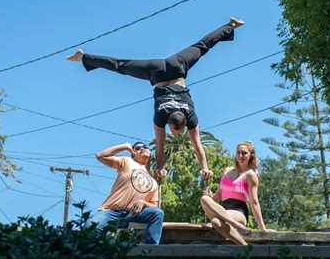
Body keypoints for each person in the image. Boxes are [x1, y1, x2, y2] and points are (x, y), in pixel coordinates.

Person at [66, 17, 245, 180]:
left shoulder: (186, 114)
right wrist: (199, 167)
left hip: (174, 65)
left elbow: (165, 144)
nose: (177, 134)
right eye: (177, 132)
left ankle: (84, 57)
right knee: (123, 65)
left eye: (176, 132)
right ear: (179, 123)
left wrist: (161, 167)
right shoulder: (165, 116)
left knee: (201, 46)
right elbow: (174, 144)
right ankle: (230, 25)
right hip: (160, 71)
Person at [83, 142, 164, 245]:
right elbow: (100, 156)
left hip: (133, 214)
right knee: (90, 227)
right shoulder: (126, 161)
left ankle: (152, 250)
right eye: (138, 148)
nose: (142, 148)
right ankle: (100, 253)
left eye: (145, 147)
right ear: (133, 153)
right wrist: (125, 146)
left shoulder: (154, 180)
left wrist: (143, 202)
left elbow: (155, 206)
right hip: (111, 211)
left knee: (157, 213)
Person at [200, 141, 275, 245]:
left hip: (239, 211)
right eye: (238, 152)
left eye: (244, 153)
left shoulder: (250, 175)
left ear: (251, 155)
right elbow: (218, 196)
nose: (240, 155)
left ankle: (238, 225)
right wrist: (210, 195)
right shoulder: (227, 171)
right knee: (205, 200)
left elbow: (254, 203)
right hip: (223, 210)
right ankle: (244, 246)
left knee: (216, 220)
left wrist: (263, 228)